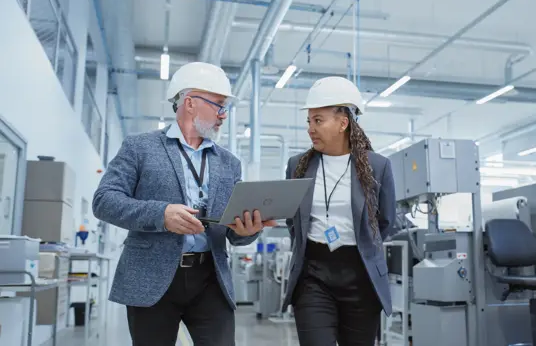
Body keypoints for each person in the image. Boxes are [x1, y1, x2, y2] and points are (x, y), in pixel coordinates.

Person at [93, 62, 276, 346]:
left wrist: (248, 229)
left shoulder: (229, 163)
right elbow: (104, 201)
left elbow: (233, 234)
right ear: (189, 103)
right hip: (151, 276)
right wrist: (161, 214)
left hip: (210, 278)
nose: (223, 115)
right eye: (218, 104)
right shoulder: (140, 148)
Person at [282, 76, 397, 346]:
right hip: (313, 275)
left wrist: (364, 244)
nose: (311, 128)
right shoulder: (297, 165)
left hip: (361, 276)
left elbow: (386, 222)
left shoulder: (377, 166)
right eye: (309, 121)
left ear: (343, 123)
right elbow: (293, 221)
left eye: (318, 120)